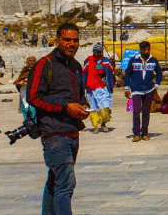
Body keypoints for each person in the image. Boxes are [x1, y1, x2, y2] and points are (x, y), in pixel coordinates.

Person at [29, 22, 90, 215]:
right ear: (57, 41)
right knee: (66, 184)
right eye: (67, 40)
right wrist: (65, 107)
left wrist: (83, 107)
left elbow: (79, 96)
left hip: (72, 132)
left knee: (55, 181)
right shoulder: (44, 64)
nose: (72, 44)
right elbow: (34, 97)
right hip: (54, 133)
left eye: (75, 40)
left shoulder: (76, 66)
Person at [124, 40, 163, 142]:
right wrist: (126, 88)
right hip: (136, 89)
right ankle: (136, 133)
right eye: (144, 50)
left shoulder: (153, 61)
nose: (146, 52)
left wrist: (157, 84)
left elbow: (159, 73)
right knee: (136, 111)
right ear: (141, 50)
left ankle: (144, 133)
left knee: (146, 112)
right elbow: (128, 74)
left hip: (149, 89)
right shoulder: (133, 60)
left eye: (148, 49)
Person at [82, 43, 115, 133]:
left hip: (103, 88)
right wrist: (83, 87)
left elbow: (111, 75)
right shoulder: (88, 61)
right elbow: (84, 74)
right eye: (94, 52)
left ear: (101, 52)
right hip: (91, 88)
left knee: (105, 107)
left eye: (98, 52)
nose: (96, 54)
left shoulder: (106, 61)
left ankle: (104, 123)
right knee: (94, 108)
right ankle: (96, 125)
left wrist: (111, 86)